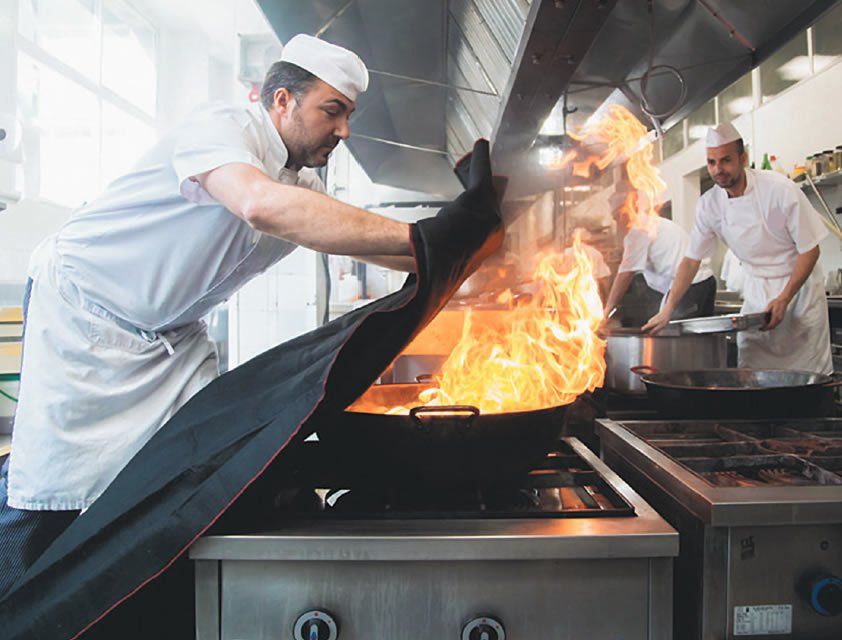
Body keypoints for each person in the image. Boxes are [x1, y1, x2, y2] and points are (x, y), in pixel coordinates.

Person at [0, 34, 424, 596]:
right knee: (49, 483)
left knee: (203, 463)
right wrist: (426, 236)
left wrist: (452, 249)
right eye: (332, 111)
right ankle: (14, 594)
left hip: (170, 340)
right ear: (280, 101)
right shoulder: (223, 128)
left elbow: (363, 243)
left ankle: (161, 597)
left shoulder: (303, 183)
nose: (343, 130)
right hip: (84, 314)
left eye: (347, 114)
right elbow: (256, 203)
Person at [644, 122, 832, 374]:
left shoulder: (780, 190)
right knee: (752, 370)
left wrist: (784, 297)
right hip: (757, 293)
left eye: (725, 160)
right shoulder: (709, 205)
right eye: (711, 162)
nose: (718, 169)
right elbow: (691, 261)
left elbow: (810, 251)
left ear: (743, 158)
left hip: (799, 293)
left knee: (805, 374)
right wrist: (667, 310)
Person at [602, 215, 716, 323]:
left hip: (689, 287)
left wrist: (608, 309)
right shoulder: (656, 222)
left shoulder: (638, 230)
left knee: (672, 335)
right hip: (705, 282)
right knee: (701, 339)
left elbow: (625, 274)